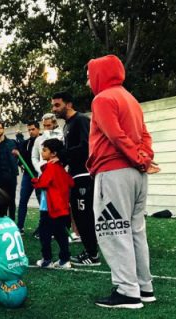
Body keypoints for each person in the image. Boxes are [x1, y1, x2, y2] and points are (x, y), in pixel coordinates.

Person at [86, 54, 159, 309]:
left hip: (114, 172)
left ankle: (128, 292)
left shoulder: (103, 99)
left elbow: (115, 135)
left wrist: (137, 157)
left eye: (89, 75)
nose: (87, 81)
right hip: (137, 173)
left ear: (100, 74)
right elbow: (145, 135)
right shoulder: (131, 99)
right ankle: (144, 287)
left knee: (113, 230)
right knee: (136, 230)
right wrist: (144, 158)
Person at [51, 91, 101, 266]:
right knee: (79, 217)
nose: (54, 109)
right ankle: (89, 251)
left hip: (84, 175)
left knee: (85, 216)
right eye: (53, 105)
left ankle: (93, 256)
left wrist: (63, 154)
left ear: (69, 104)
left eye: (57, 105)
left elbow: (87, 146)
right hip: (74, 175)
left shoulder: (81, 120)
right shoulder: (66, 125)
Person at [32, 139, 75, 269]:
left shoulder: (51, 167)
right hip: (62, 209)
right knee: (61, 234)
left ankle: (47, 260)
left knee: (44, 235)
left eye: (45, 150)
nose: (42, 152)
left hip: (49, 209)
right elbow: (70, 182)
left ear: (53, 153)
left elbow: (42, 183)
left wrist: (35, 181)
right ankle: (64, 260)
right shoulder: (61, 168)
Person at [14, 121, 41, 233]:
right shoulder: (26, 143)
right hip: (27, 175)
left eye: (33, 129)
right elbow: (21, 158)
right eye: (29, 130)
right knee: (23, 201)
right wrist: (20, 162)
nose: (31, 131)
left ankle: (41, 228)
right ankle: (20, 227)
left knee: (42, 202)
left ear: (38, 129)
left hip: (40, 175)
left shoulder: (43, 141)